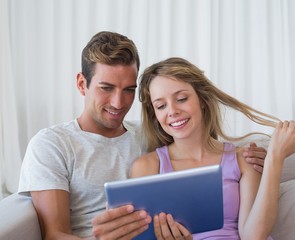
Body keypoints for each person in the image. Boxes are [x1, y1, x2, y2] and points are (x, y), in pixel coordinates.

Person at [18, 31, 270, 239]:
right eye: (106, 88)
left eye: (128, 90)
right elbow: (54, 235)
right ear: (82, 84)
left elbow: (200, 149)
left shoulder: (151, 135)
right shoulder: (52, 144)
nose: (118, 102)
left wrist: (253, 155)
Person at [131, 57, 295, 240]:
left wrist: (275, 159)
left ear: (202, 100)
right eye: (161, 106)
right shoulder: (147, 167)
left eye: (181, 99)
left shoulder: (243, 158)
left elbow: (254, 236)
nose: (172, 111)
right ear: (155, 114)